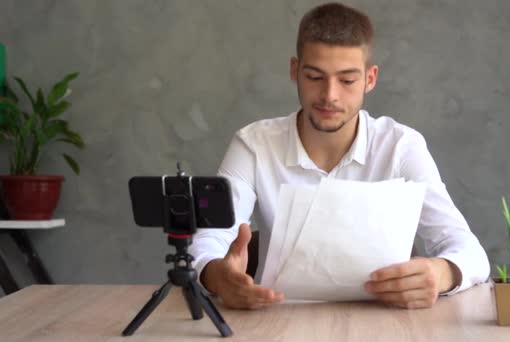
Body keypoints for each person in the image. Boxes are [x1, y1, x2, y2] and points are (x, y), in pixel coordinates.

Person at [190, 2, 490, 310]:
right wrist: (217, 277)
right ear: (295, 71)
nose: (330, 95)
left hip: (385, 324)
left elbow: (469, 251)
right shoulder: (253, 145)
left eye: (347, 80)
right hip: (278, 319)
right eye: (315, 77)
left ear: (369, 79)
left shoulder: (401, 147)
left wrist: (441, 273)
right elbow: (208, 241)